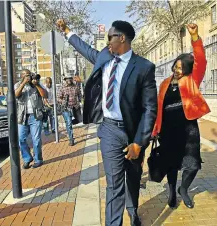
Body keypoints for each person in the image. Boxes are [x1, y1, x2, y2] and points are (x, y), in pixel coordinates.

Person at [57, 19, 157, 226]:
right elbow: (84, 48)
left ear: (122, 38)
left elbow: (150, 109)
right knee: (114, 183)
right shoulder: (104, 57)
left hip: (133, 131)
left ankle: (133, 210)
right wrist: (67, 31)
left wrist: (139, 142)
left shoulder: (144, 67)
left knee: (133, 177)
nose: (107, 42)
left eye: (110, 37)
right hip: (110, 129)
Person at [152, 24, 210, 209]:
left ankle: (183, 189)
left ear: (187, 68)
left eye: (181, 67)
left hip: (188, 128)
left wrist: (195, 37)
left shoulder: (192, 80)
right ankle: (171, 192)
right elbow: (158, 107)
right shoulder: (164, 83)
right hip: (168, 129)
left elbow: (201, 60)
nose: (177, 70)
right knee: (171, 164)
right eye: (175, 66)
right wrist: (155, 129)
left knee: (192, 165)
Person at [14, 69, 46, 169]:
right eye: (26, 75)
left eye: (30, 75)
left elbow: (45, 95)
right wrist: (23, 83)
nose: (29, 77)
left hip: (35, 116)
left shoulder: (36, 84)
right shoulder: (18, 85)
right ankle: (27, 158)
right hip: (22, 117)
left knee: (36, 139)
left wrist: (36, 85)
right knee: (21, 139)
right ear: (22, 76)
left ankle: (38, 159)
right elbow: (16, 95)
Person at [57, 75, 82, 146]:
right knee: (68, 123)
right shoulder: (62, 87)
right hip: (66, 108)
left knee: (77, 121)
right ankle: (71, 139)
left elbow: (79, 95)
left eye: (70, 79)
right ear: (65, 80)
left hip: (74, 108)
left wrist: (80, 101)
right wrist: (63, 101)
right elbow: (58, 98)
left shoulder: (75, 87)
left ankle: (70, 131)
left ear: (72, 79)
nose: (69, 80)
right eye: (67, 79)